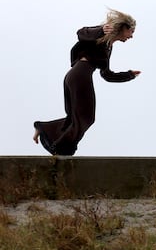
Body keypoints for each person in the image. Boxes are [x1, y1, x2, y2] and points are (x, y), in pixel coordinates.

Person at [33, 9, 141, 156]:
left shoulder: (107, 46)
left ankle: (45, 129)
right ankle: (61, 149)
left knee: (76, 117)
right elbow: (81, 33)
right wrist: (101, 30)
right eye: (131, 31)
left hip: (76, 75)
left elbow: (106, 74)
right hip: (80, 75)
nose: (132, 36)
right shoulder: (101, 34)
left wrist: (128, 75)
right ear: (124, 28)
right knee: (86, 118)